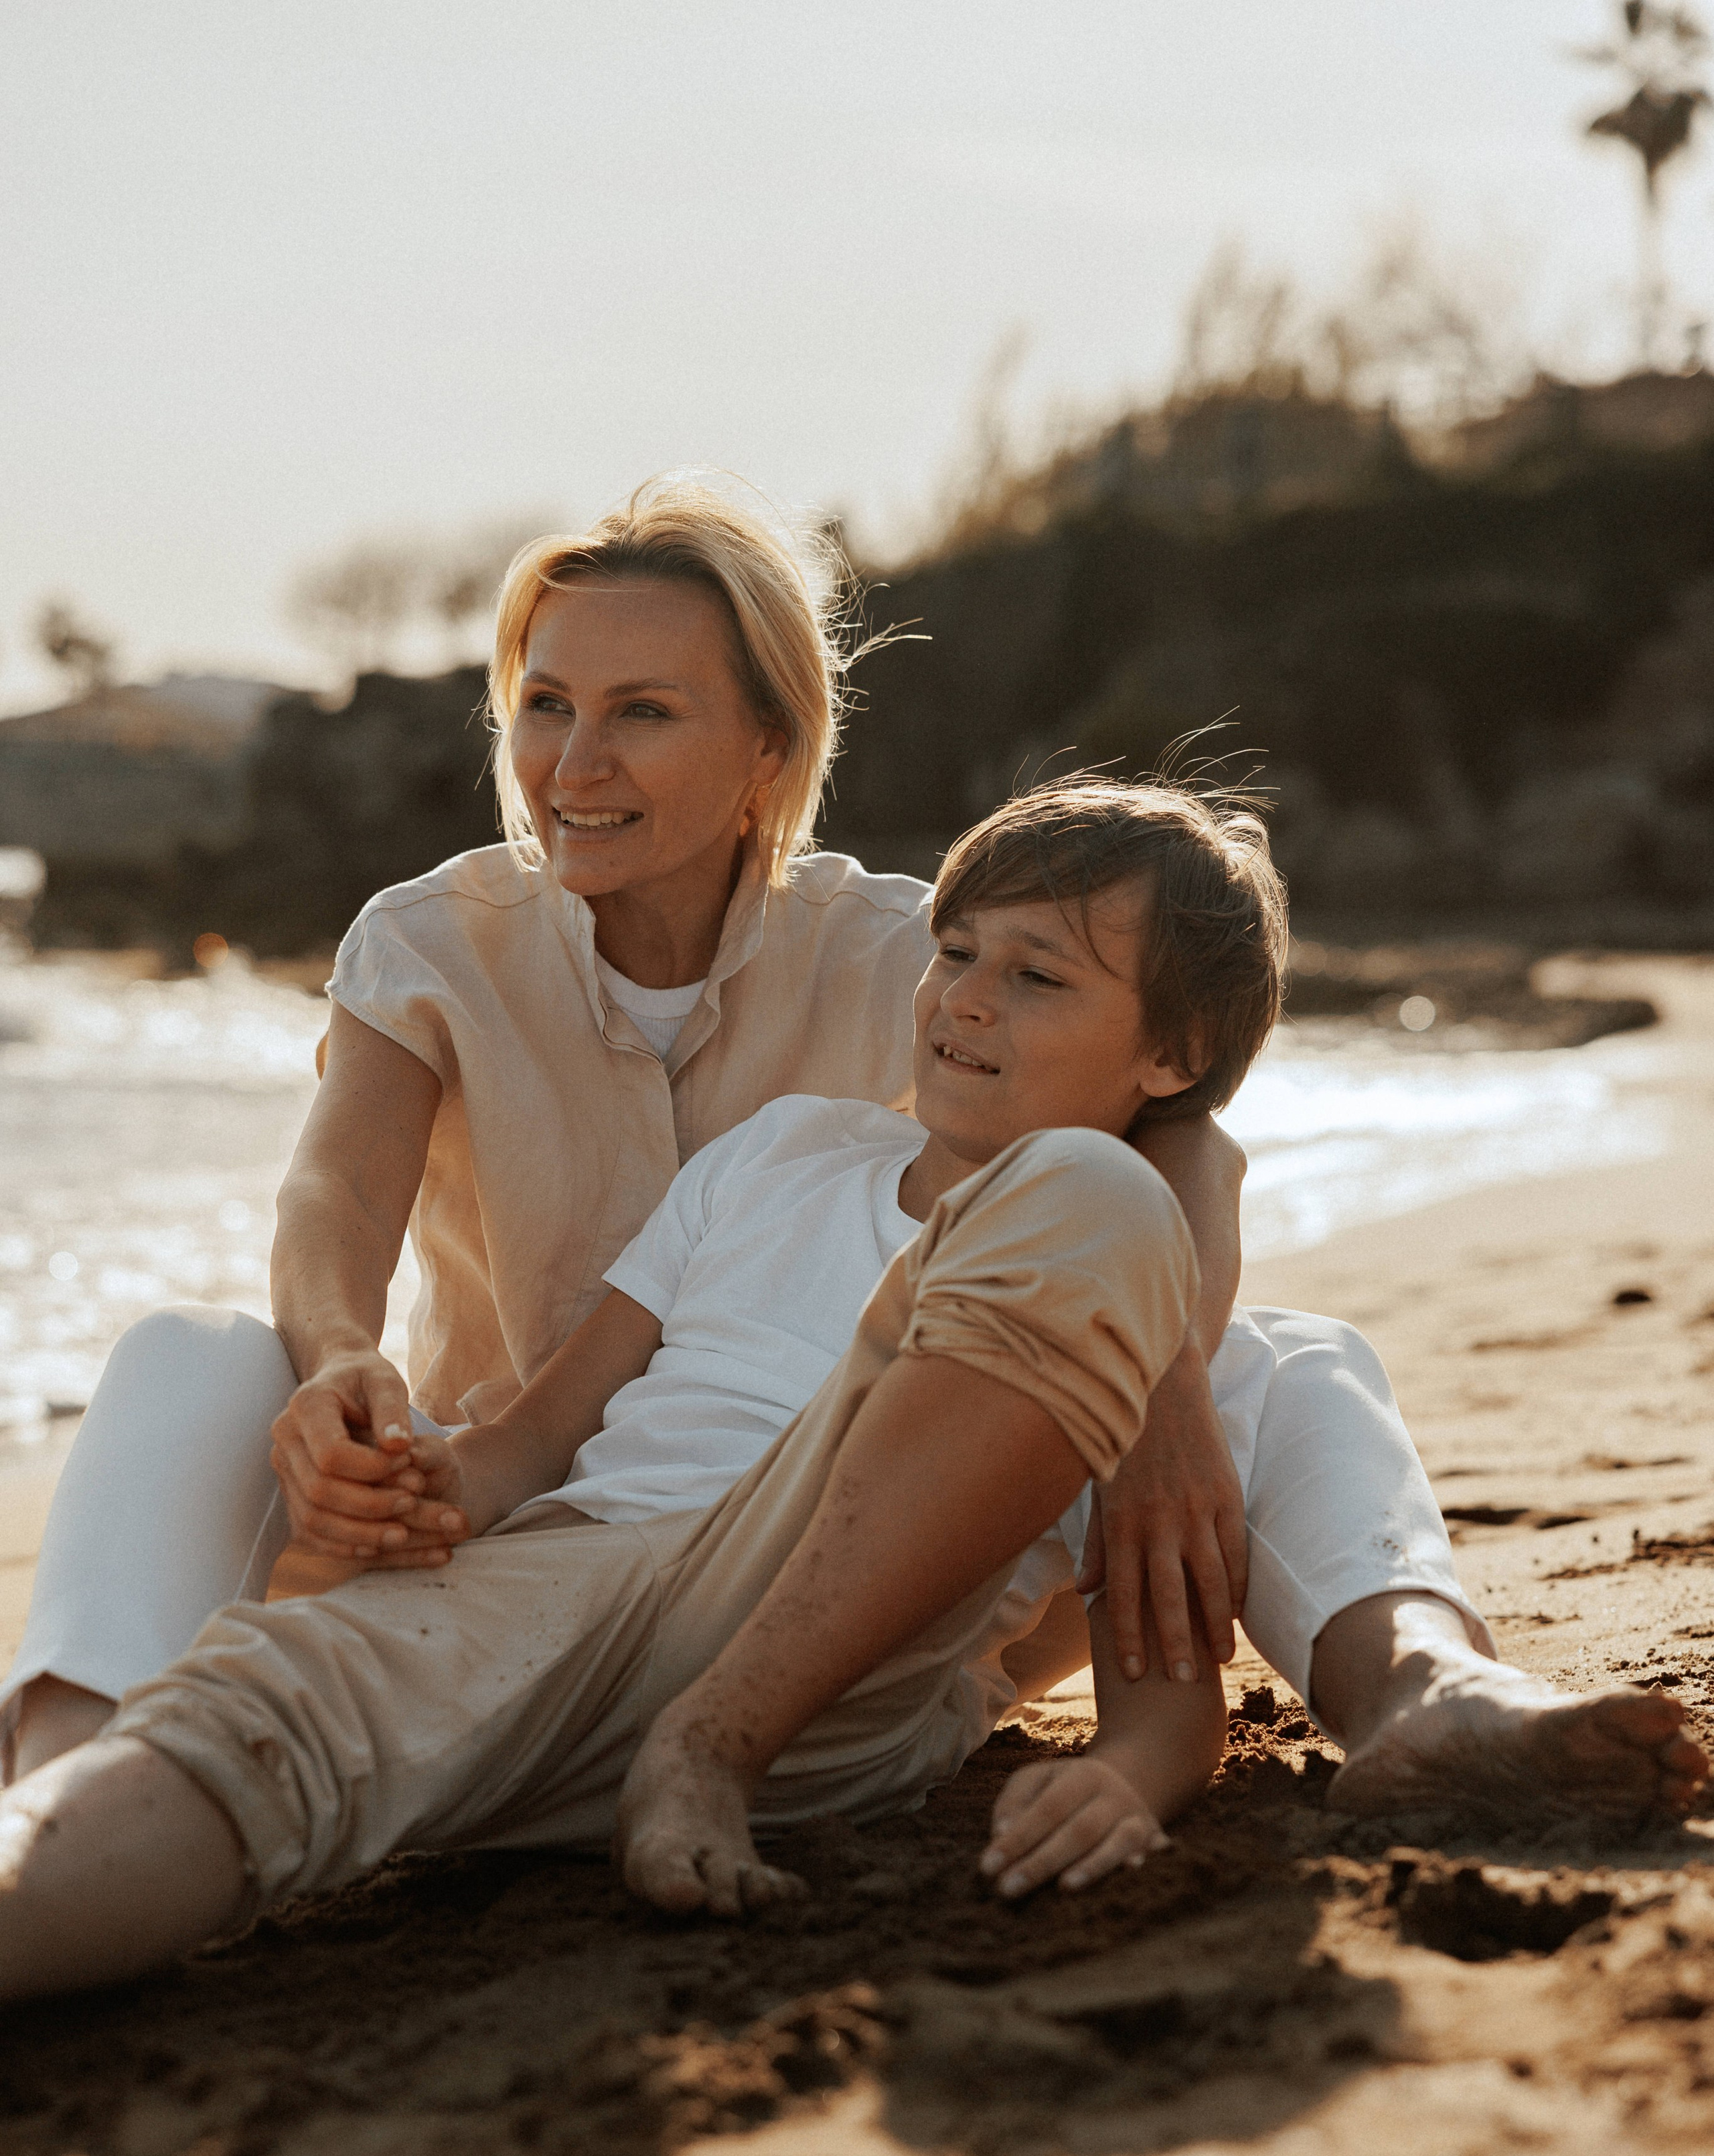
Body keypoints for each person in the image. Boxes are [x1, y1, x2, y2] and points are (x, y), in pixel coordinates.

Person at [2, 481, 1695, 1819]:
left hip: (863, 1537)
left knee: (1285, 1357)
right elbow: (333, 1192)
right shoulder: (431, 936)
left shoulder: (911, 946)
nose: (571, 765)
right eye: (542, 705)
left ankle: (1422, 1692)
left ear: (768, 748)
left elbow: (1180, 1151)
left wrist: (1168, 1392)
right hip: (510, 1511)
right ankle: (59, 1783)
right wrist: (338, 1359)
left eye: (642, 713)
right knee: (189, 1356)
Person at [0, 782, 1699, 2003]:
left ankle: (1411, 1688)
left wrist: (1144, 1755)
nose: (959, 997)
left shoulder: (1081, 1245)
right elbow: (542, 1424)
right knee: (250, 1729)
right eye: (954, 954)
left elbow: (1151, 1603)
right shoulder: (786, 1149)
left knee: (1196, 1273)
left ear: (1166, 1060)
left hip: (840, 1664)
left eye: (1031, 978)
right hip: (577, 1566)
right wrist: (421, 1487)